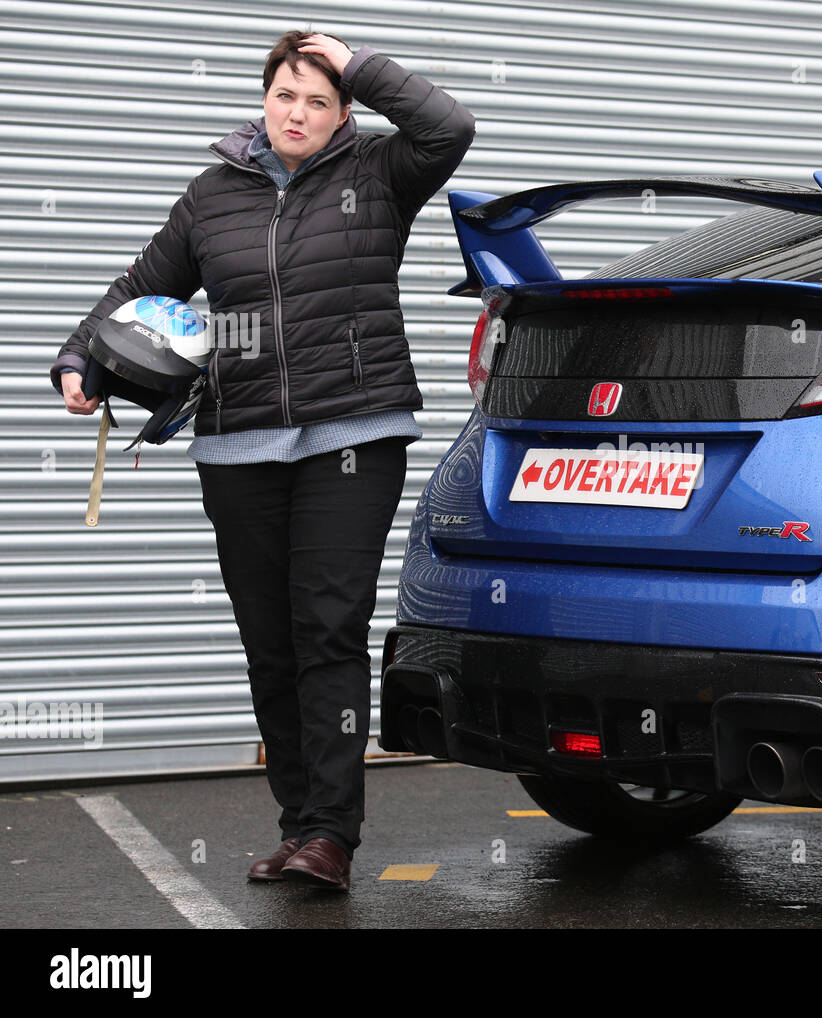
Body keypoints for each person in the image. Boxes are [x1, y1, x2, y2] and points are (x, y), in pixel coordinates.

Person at [51, 30, 475, 892]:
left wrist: (357, 62)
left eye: (321, 100)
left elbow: (449, 127)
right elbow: (141, 285)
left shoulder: (380, 175)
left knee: (326, 630)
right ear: (265, 98)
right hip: (239, 444)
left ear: (343, 112)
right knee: (270, 644)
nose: (300, 112)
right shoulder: (213, 196)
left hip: (351, 435)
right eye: (288, 94)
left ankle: (332, 834)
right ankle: (297, 825)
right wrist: (80, 358)